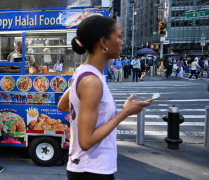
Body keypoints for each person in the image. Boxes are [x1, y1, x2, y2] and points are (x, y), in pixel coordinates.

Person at [57, 15, 150, 180]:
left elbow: (63, 105)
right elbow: (86, 142)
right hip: (91, 171)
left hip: (90, 169)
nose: (122, 42)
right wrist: (124, 113)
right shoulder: (91, 81)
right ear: (103, 42)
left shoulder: (84, 72)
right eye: (119, 37)